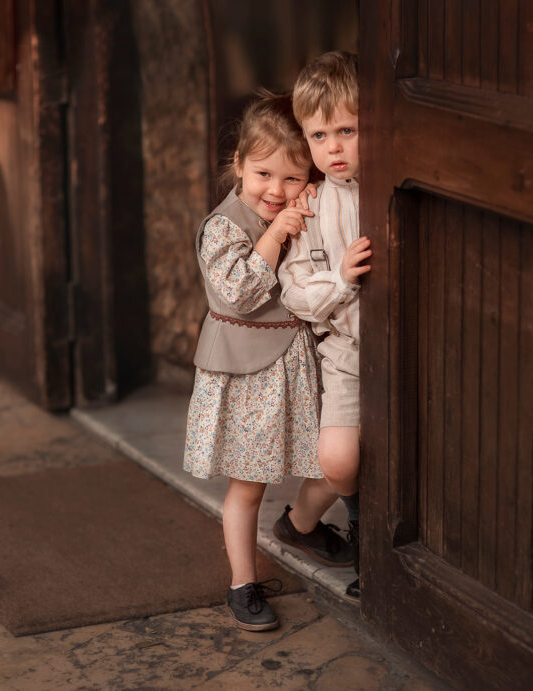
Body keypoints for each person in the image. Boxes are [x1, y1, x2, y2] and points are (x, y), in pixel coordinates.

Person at [184, 90, 353, 632]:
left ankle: (300, 524)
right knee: (248, 485)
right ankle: (242, 582)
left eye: (292, 178)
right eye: (262, 174)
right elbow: (236, 293)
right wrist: (278, 233)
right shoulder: (225, 226)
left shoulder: (314, 203)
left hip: (299, 363)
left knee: (335, 461)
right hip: (246, 373)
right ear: (238, 165)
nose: (276, 192)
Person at [277, 51, 370, 599]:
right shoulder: (312, 206)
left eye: (347, 130)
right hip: (347, 355)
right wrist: (340, 280)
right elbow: (295, 291)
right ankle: (312, 521)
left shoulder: (391, 188)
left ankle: (372, 556)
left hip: (408, 351)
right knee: (339, 461)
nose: (332, 148)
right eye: (318, 136)